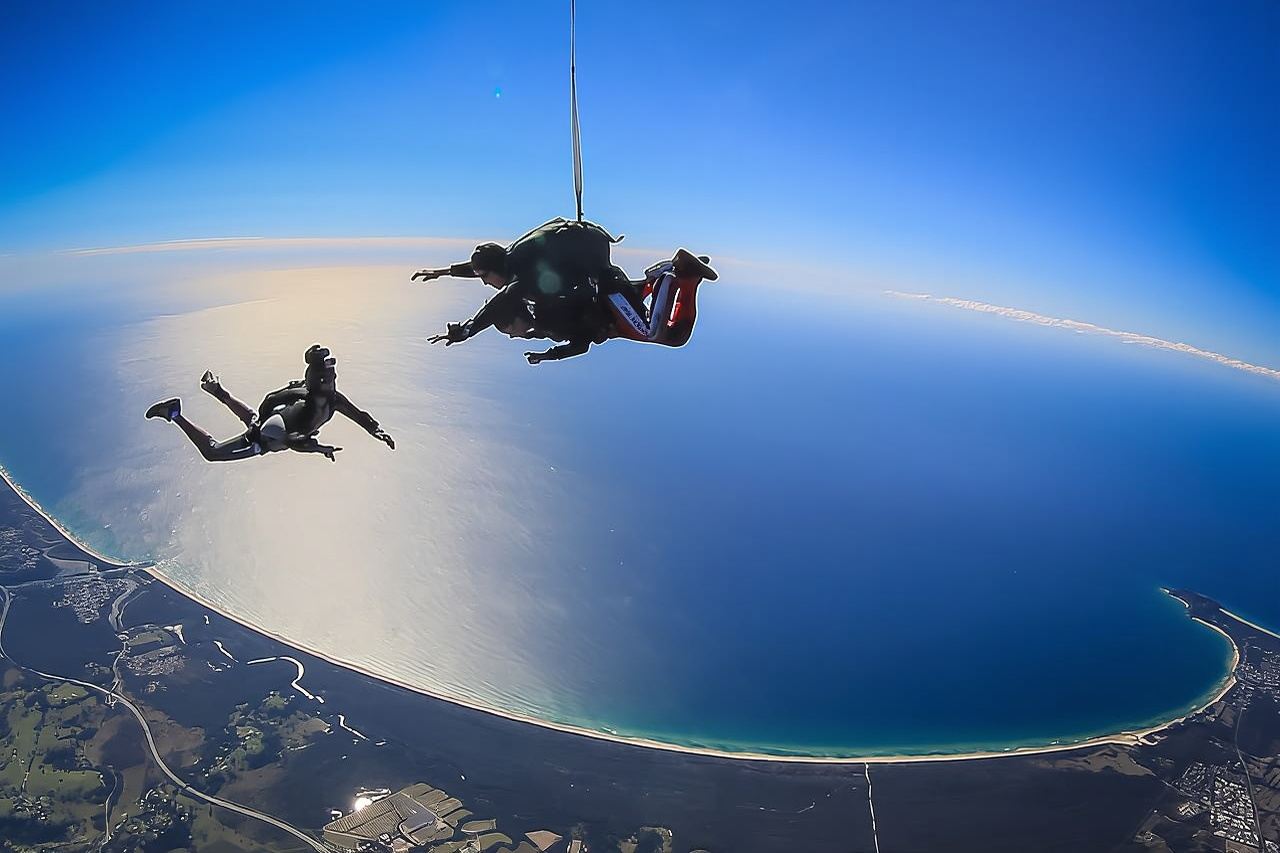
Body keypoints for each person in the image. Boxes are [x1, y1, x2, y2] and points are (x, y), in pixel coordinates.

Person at [414, 218, 718, 363]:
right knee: (670, 333)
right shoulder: (512, 258)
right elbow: (483, 271)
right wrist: (443, 272)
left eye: (483, 277)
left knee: (658, 333)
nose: (482, 281)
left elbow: (500, 301)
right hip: (605, 288)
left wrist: (468, 330)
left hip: (607, 289)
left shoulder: (523, 279)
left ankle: (673, 272)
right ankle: (682, 276)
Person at [144, 345, 395, 462]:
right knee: (213, 452)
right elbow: (291, 436)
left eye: (331, 378)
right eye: (326, 379)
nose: (330, 382)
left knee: (255, 419)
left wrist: (375, 430)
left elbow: (358, 414)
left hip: (276, 425)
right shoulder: (318, 398)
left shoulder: (332, 400)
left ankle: (218, 391)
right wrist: (317, 448)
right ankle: (174, 413)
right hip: (269, 435)